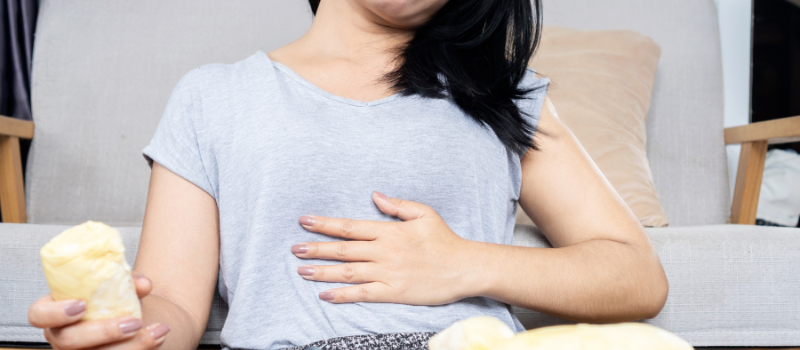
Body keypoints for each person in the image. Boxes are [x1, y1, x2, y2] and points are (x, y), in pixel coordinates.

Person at [27, 0, 669, 349]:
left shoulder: (502, 93)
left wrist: (469, 263)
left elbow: (636, 275)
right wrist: (120, 330)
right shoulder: (212, 98)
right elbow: (172, 304)